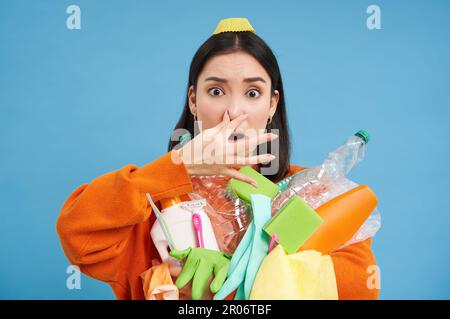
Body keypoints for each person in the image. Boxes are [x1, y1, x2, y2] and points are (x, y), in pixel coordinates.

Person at [56, 17, 379, 300]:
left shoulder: (312, 192)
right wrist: (178, 167)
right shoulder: (153, 203)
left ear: (271, 105)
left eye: (252, 93)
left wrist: (233, 278)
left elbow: (360, 287)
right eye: (216, 91)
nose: (233, 111)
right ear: (193, 101)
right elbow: (77, 232)